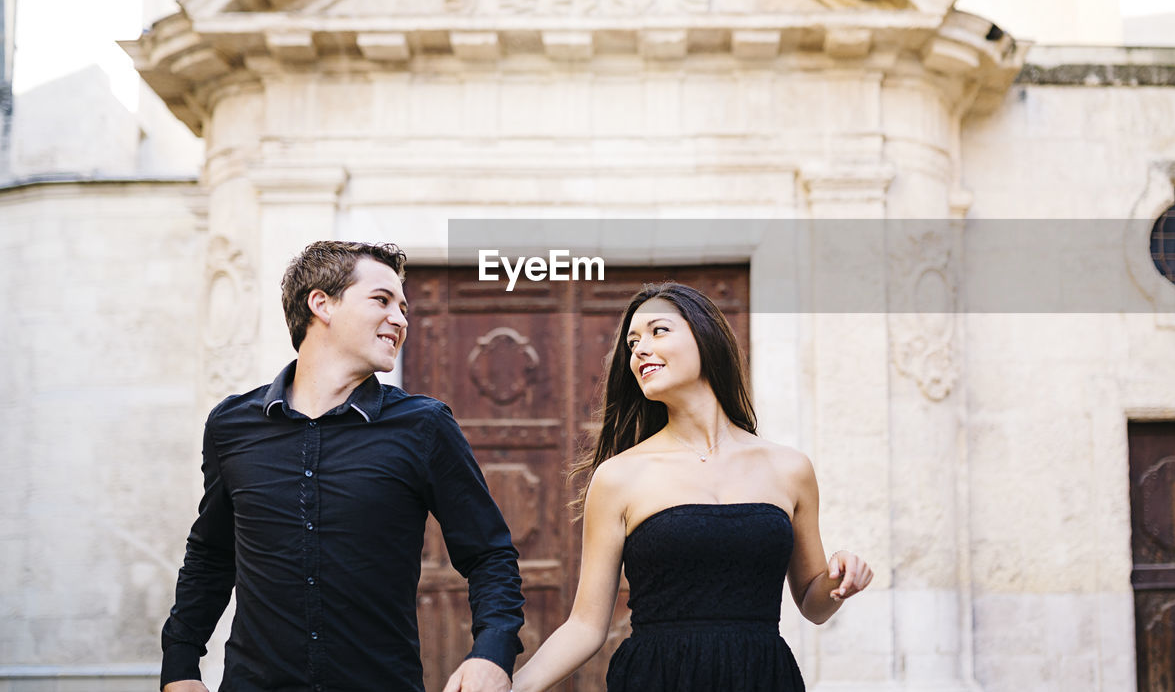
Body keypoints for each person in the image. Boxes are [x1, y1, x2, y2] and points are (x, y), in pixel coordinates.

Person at [160, 241, 523, 692]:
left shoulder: (424, 426)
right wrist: (179, 666)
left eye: (403, 307)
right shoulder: (231, 426)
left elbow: (489, 554)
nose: (401, 319)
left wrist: (493, 652)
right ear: (321, 304)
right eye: (382, 300)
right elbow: (211, 557)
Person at [511, 282, 872, 692]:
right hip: (658, 678)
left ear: (705, 336)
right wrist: (511, 688)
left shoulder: (790, 468)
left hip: (761, 677)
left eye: (657, 331)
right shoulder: (618, 476)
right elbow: (585, 626)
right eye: (632, 342)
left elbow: (813, 603)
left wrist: (839, 581)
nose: (640, 350)